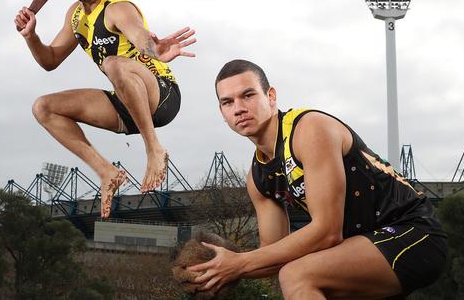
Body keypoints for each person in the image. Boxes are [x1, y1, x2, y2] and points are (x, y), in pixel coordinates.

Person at [189, 59, 447, 299]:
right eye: (228, 102)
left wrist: (240, 264)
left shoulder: (309, 129)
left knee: (297, 274)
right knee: (291, 271)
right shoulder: (258, 179)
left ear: (271, 96)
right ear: (222, 112)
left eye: (248, 95)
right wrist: (216, 267)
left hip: (413, 232)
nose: (239, 109)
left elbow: (327, 232)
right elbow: (273, 254)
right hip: (358, 247)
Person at [14, 0, 196, 218]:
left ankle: (154, 148)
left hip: (160, 94)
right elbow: (50, 60)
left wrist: (155, 49)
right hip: (126, 101)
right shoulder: (75, 15)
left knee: (113, 63)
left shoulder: (117, 8)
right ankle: (106, 172)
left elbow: (138, 34)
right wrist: (31, 36)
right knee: (43, 107)